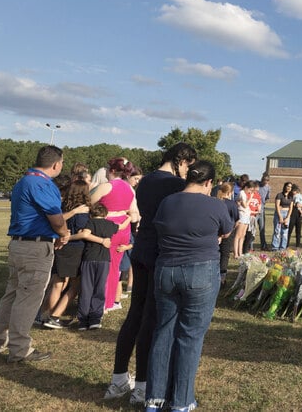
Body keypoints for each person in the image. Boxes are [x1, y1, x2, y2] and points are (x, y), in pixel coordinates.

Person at [105, 142, 196, 404]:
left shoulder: (144, 182)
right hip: (161, 254)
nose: (187, 172)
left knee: (135, 313)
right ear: (181, 161)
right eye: (188, 166)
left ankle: (119, 378)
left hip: (142, 250)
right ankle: (144, 386)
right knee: (152, 320)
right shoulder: (174, 185)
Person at [145, 161, 234, 412]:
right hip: (201, 270)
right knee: (190, 336)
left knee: (164, 331)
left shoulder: (168, 202)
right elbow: (226, 231)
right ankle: (182, 401)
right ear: (209, 183)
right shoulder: (215, 204)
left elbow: (159, 226)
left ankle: (154, 399)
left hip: (166, 270)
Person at [0, 145, 70, 363]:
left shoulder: (23, 181)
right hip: (35, 248)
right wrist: (64, 234)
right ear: (56, 164)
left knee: (12, 294)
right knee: (28, 298)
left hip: (18, 245)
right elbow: (56, 218)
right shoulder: (42, 184)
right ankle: (19, 349)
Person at [40, 177, 92, 328]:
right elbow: (83, 232)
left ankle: (44, 315)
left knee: (57, 283)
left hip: (60, 247)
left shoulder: (62, 207)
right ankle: (55, 316)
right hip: (75, 249)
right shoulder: (82, 211)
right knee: (74, 285)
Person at [90, 157, 140, 311]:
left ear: (111, 170)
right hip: (123, 230)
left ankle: (97, 299)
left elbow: (89, 204)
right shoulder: (130, 189)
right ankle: (109, 301)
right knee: (115, 268)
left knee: (101, 264)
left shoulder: (106, 187)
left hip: (105, 227)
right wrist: (124, 219)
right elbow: (134, 215)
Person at [75, 203, 125, 330]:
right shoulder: (109, 225)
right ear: (105, 214)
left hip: (89, 258)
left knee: (86, 289)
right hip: (104, 260)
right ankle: (95, 319)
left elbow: (85, 234)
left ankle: (82, 320)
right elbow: (122, 226)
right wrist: (128, 215)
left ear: (91, 214)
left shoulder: (90, 222)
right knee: (100, 289)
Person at [216, 183, 239, 284]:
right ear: (230, 192)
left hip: (215, 231)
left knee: (215, 254)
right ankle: (222, 278)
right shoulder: (232, 204)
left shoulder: (215, 201)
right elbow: (236, 218)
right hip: (227, 232)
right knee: (224, 255)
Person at [272, 182, 294, 250]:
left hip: (287, 214)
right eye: (288, 186)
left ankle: (283, 247)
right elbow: (277, 206)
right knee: (277, 231)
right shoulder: (279, 195)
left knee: (285, 232)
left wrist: (287, 217)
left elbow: (291, 207)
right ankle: (275, 247)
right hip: (279, 213)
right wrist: (280, 217)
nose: (289, 188)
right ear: (285, 186)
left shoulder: (291, 196)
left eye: (290, 187)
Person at [255, 175, 272, 251]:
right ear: (262, 179)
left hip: (262, 209)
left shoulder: (268, 188)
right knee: (252, 229)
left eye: (267, 181)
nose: (265, 182)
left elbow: (267, 197)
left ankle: (263, 246)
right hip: (254, 209)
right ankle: (249, 246)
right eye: (264, 180)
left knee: (262, 228)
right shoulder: (256, 184)